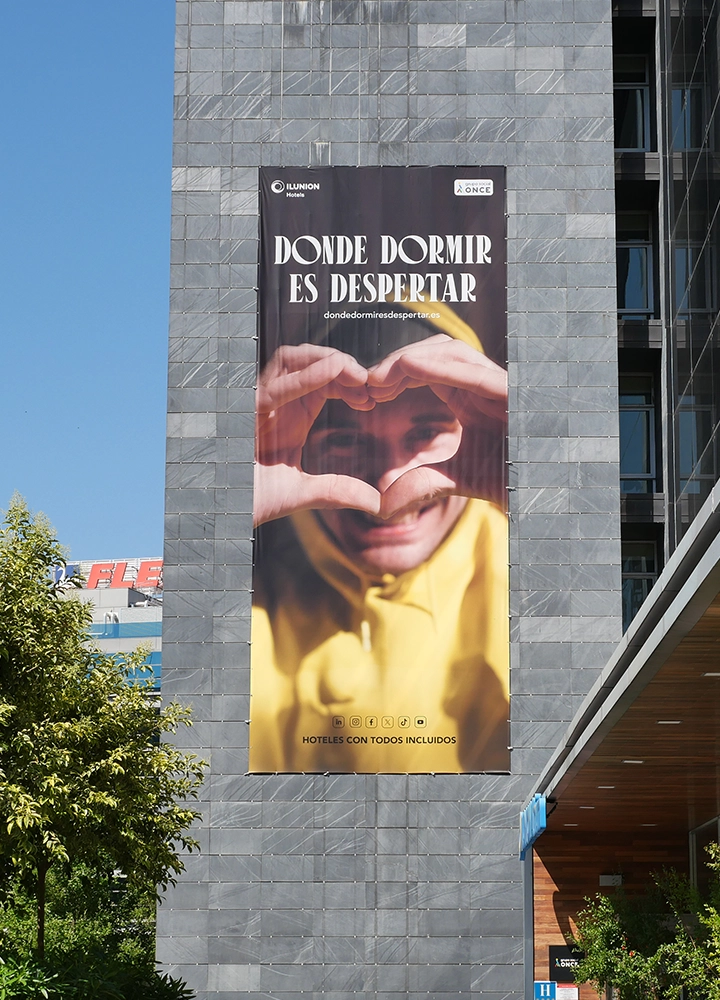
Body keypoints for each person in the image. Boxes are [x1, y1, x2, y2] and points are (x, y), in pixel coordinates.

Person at [250, 305, 509, 773]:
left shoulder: (539, 584)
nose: (389, 480)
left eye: (425, 433)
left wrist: (545, 489)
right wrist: (223, 502)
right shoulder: (241, 597)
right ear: (299, 449)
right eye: (345, 440)